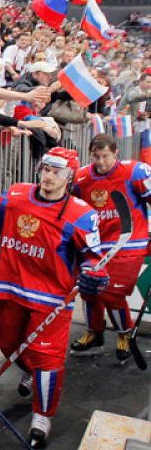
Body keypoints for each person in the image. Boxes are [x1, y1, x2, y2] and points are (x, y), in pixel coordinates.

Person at [0, 148, 106, 447]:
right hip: (12, 289)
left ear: (69, 177)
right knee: (8, 344)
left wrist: (92, 275)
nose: (49, 176)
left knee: (47, 358)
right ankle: (32, 374)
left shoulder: (82, 214)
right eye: (46, 169)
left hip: (52, 299)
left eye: (56, 171)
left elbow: (93, 258)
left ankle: (42, 416)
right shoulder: (16, 195)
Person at [70, 134, 151, 359]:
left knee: (111, 293)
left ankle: (124, 333)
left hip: (129, 242)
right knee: (89, 290)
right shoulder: (82, 178)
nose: (101, 162)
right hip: (95, 245)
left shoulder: (136, 172)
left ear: (115, 153)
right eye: (97, 157)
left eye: (106, 156)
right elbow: (71, 209)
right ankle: (94, 333)